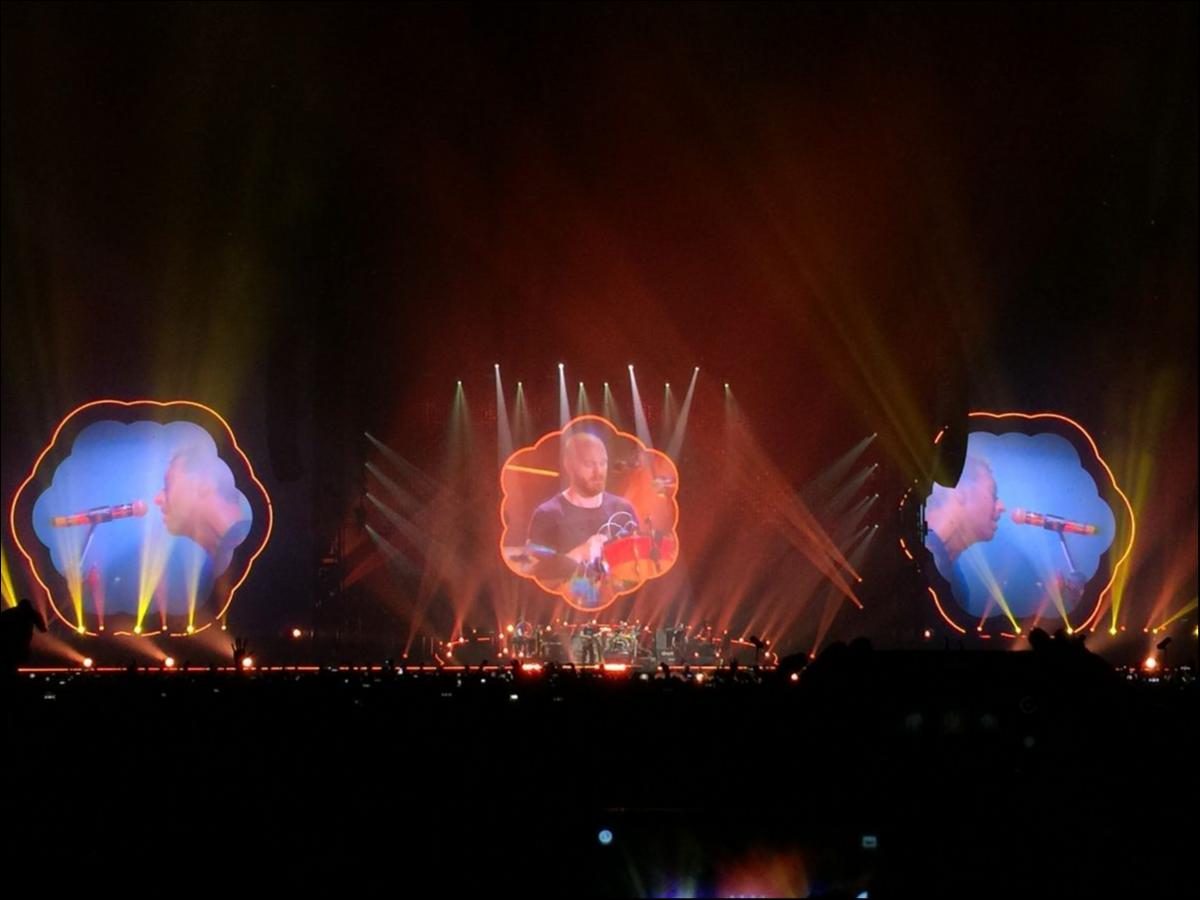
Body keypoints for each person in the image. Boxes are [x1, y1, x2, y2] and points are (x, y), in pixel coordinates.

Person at [526, 431, 636, 584]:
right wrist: (579, 554)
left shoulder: (623, 509)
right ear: (569, 466)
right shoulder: (547, 514)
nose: (598, 472)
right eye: (589, 464)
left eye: (603, 463)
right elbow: (538, 578)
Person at [154, 444, 251, 577]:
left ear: (205, 481)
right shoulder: (211, 574)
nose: (157, 499)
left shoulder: (258, 545)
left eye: (168, 485)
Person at [924, 456, 1005, 601]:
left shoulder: (958, 588)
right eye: (993, 494)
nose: (1001, 507)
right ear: (959, 490)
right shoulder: (912, 550)